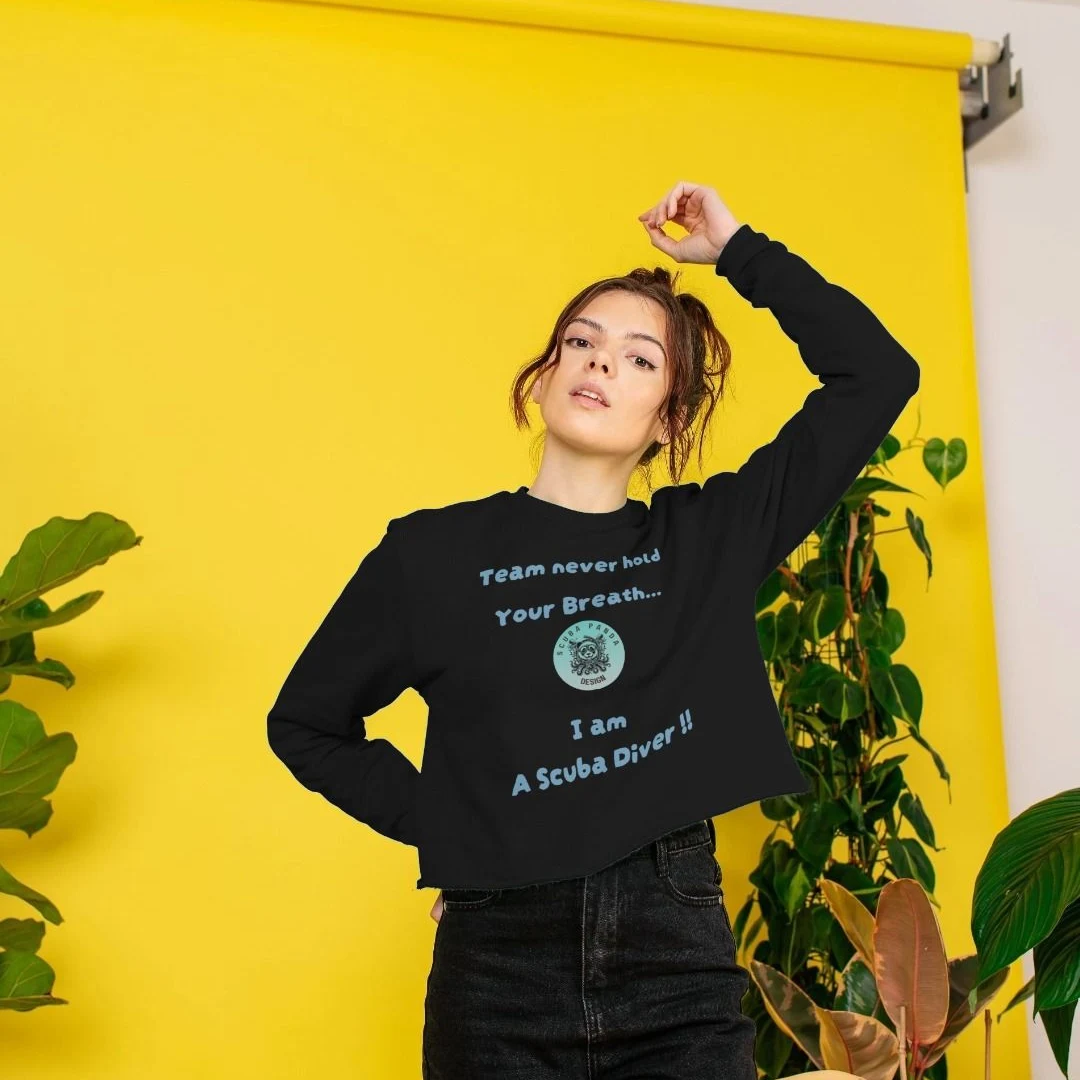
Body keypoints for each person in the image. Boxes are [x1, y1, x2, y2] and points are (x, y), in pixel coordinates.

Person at [266, 180, 921, 1079]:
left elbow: (878, 374)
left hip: (673, 958)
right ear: (545, 374)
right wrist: (450, 831)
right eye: (581, 342)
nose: (601, 363)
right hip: (496, 974)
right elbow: (305, 723)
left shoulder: (708, 540)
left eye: (639, 359)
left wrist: (738, 251)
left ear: (669, 419)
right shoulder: (430, 555)